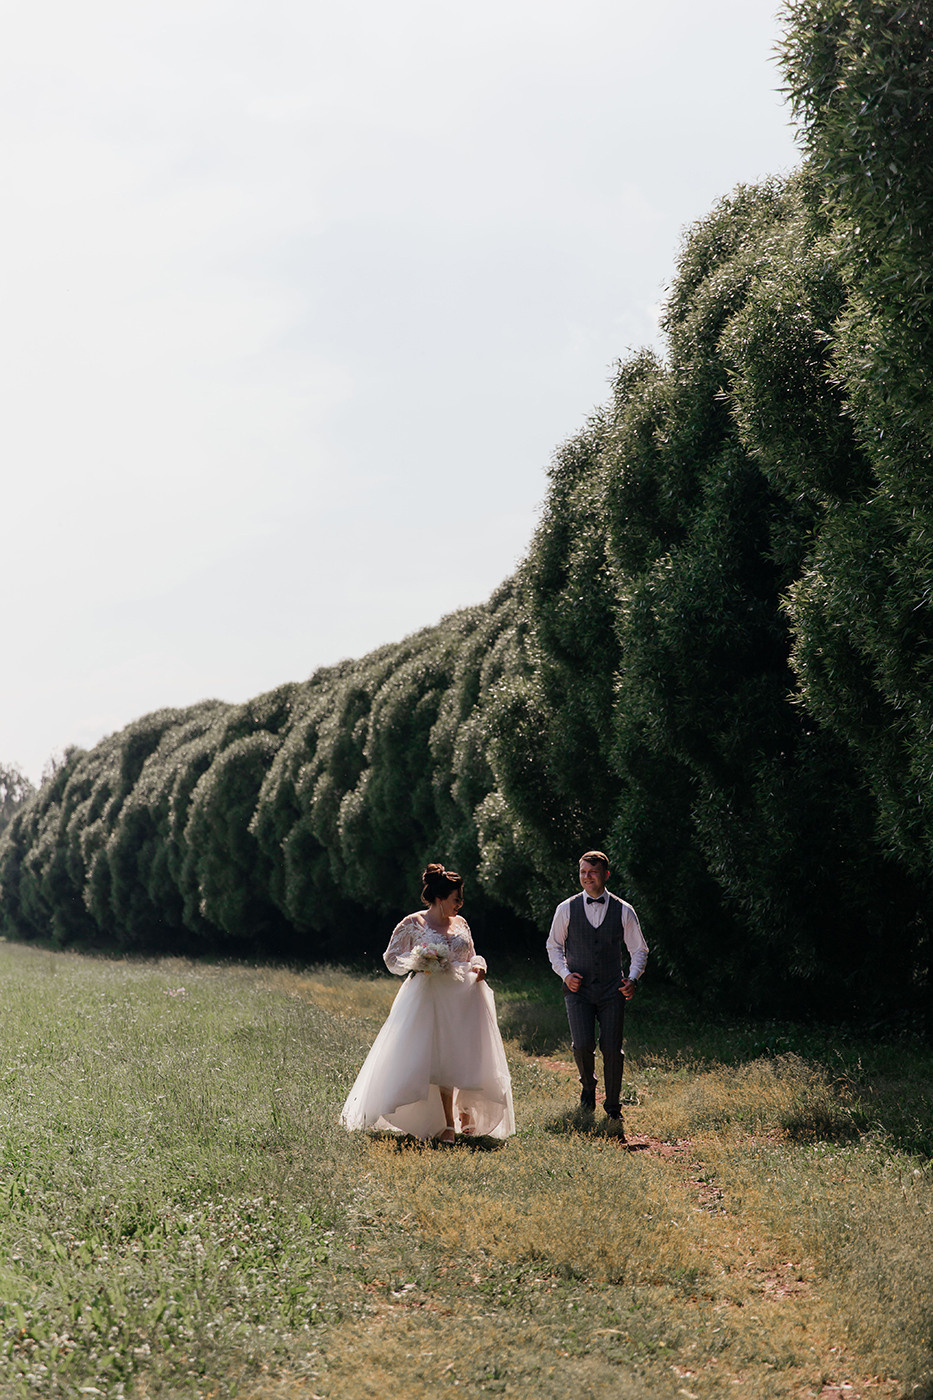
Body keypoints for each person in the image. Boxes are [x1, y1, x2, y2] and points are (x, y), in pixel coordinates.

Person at [340, 864, 515, 1143]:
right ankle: (447, 1123)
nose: (460, 903)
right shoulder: (413, 923)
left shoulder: (462, 923)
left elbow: (471, 954)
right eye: (456, 898)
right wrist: (419, 961)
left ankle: (466, 1115)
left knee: (467, 1056)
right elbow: (391, 958)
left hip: (465, 996)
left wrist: (480, 965)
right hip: (430, 996)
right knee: (441, 1058)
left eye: (461, 898)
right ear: (439, 897)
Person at [546, 850, 648, 1126]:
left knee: (612, 1048)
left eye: (592, 872)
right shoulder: (565, 908)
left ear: (605, 874)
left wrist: (633, 978)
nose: (586, 877)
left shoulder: (624, 910)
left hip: (612, 989)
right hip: (577, 990)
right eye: (582, 872)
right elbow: (553, 946)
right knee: (582, 1045)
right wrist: (565, 974)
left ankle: (613, 1106)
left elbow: (639, 950)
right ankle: (588, 1088)